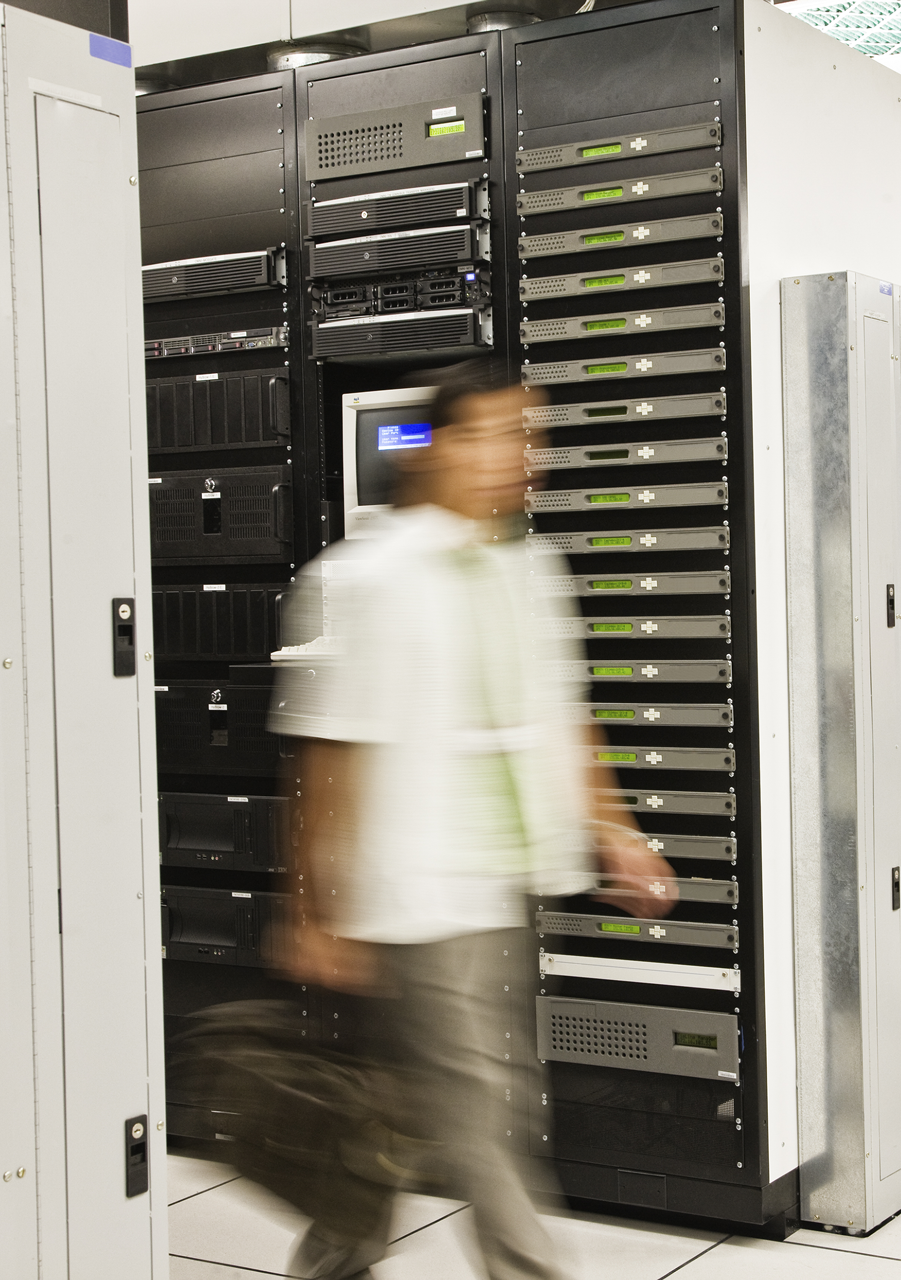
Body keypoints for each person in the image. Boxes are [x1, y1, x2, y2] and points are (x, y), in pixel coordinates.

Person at [267, 360, 678, 1279]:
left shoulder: (531, 568)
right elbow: (325, 755)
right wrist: (312, 911)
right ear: (438, 448)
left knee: (413, 1095)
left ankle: (333, 1255)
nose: (518, 456)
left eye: (529, 437)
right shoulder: (366, 575)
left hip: (503, 880)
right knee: (478, 1097)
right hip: (411, 885)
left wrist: (615, 831)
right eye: (494, 435)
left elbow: (565, 716)